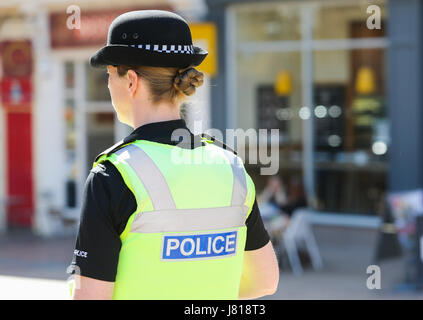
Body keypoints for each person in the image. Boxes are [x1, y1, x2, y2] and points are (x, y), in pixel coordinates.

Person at [69, 10, 278, 300]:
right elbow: (265, 282)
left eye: (108, 75)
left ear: (130, 81)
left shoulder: (114, 174)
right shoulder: (230, 166)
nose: (108, 86)